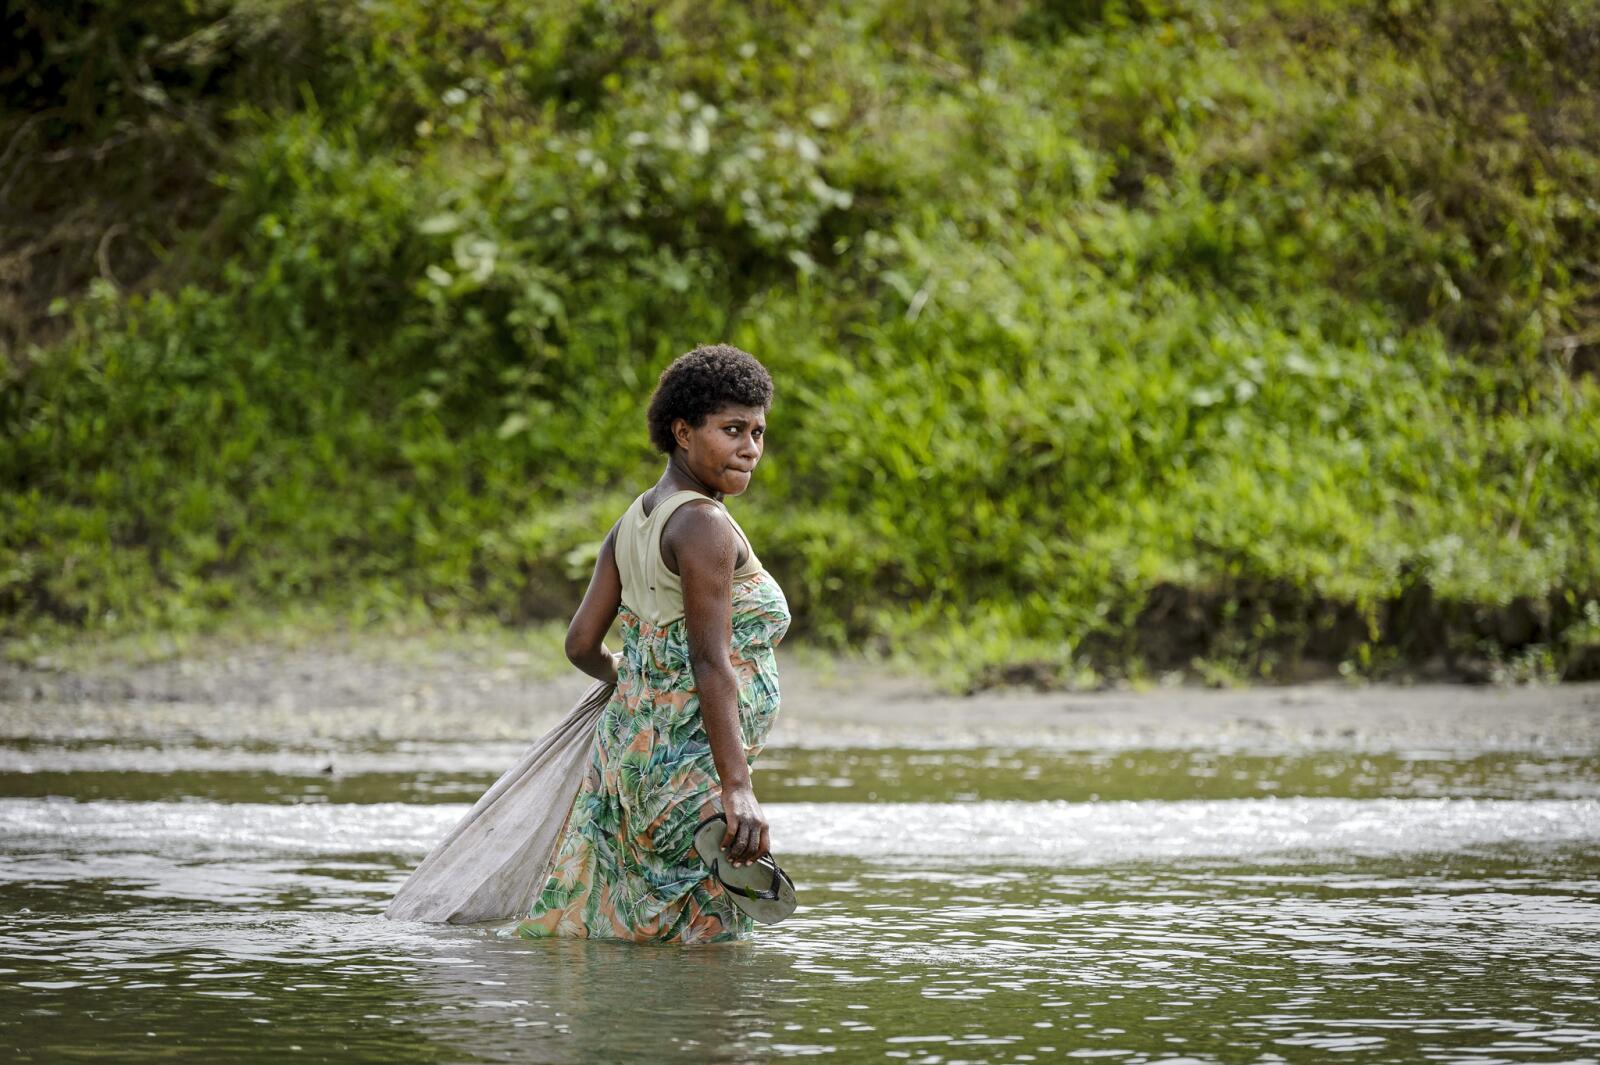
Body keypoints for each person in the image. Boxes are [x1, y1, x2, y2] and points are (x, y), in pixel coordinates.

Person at [507, 343, 791, 944]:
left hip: (629, 758)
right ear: (683, 432)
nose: (750, 448)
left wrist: (636, 687)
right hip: (689, 771)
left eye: (759, 432)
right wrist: (736, 789)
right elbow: (710, 661)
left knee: (639, 923)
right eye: (732, 429)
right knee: (704, 941)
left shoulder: (633, 522)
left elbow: (582, 644)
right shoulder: (704, 525)